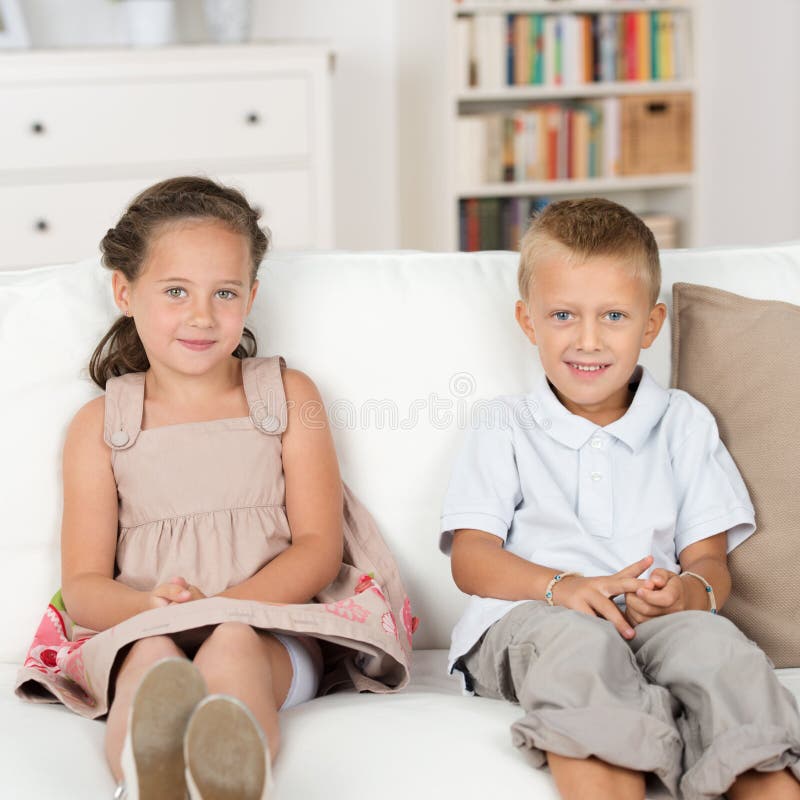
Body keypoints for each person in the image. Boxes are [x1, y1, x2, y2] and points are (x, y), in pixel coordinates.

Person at [15, 176, 416, 800]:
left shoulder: (287, 396)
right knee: (151, 661)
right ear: (125, 291)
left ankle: (226, 777)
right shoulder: (101, 425)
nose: (202, 315)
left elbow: (316, 545)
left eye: (224, 292)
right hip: (150, 625)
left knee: (231, 645)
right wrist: (152, 611)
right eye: (176, 291)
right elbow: (86, 589)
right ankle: (149, 781)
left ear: (251, 295)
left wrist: (228, 609)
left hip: (270, 629)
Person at [439, 198, 800, 800]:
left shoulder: (684, 422)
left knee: (722, 652)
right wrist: (564, 587)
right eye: (562, 315)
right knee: (580, 646)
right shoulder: (502, 424)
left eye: (613, 315)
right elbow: (471, 560)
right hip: (533, 619)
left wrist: (687, 593)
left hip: (649, 623)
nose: (588, 340)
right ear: (528, 322)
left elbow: (710, 563)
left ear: (650, 325)